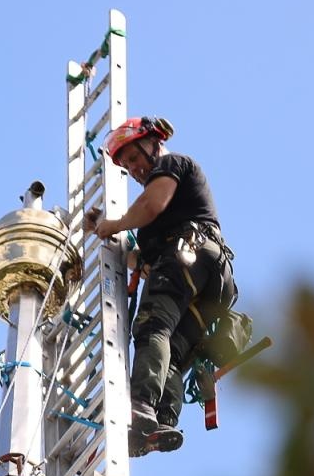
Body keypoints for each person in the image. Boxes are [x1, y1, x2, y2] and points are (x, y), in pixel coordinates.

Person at [87, 116, 238, 457]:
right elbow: (141, 261)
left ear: (153, 143)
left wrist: (114, 223)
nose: (135, 169)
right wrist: (103, 228)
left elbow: (150, 205)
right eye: (127, 166)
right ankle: (160, 421)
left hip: (189, 255)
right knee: (171, 352)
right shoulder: (157, 225)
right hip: (208, 282)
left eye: (135, 158)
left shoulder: (173, 164)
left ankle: (141, 403)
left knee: (153, 325)